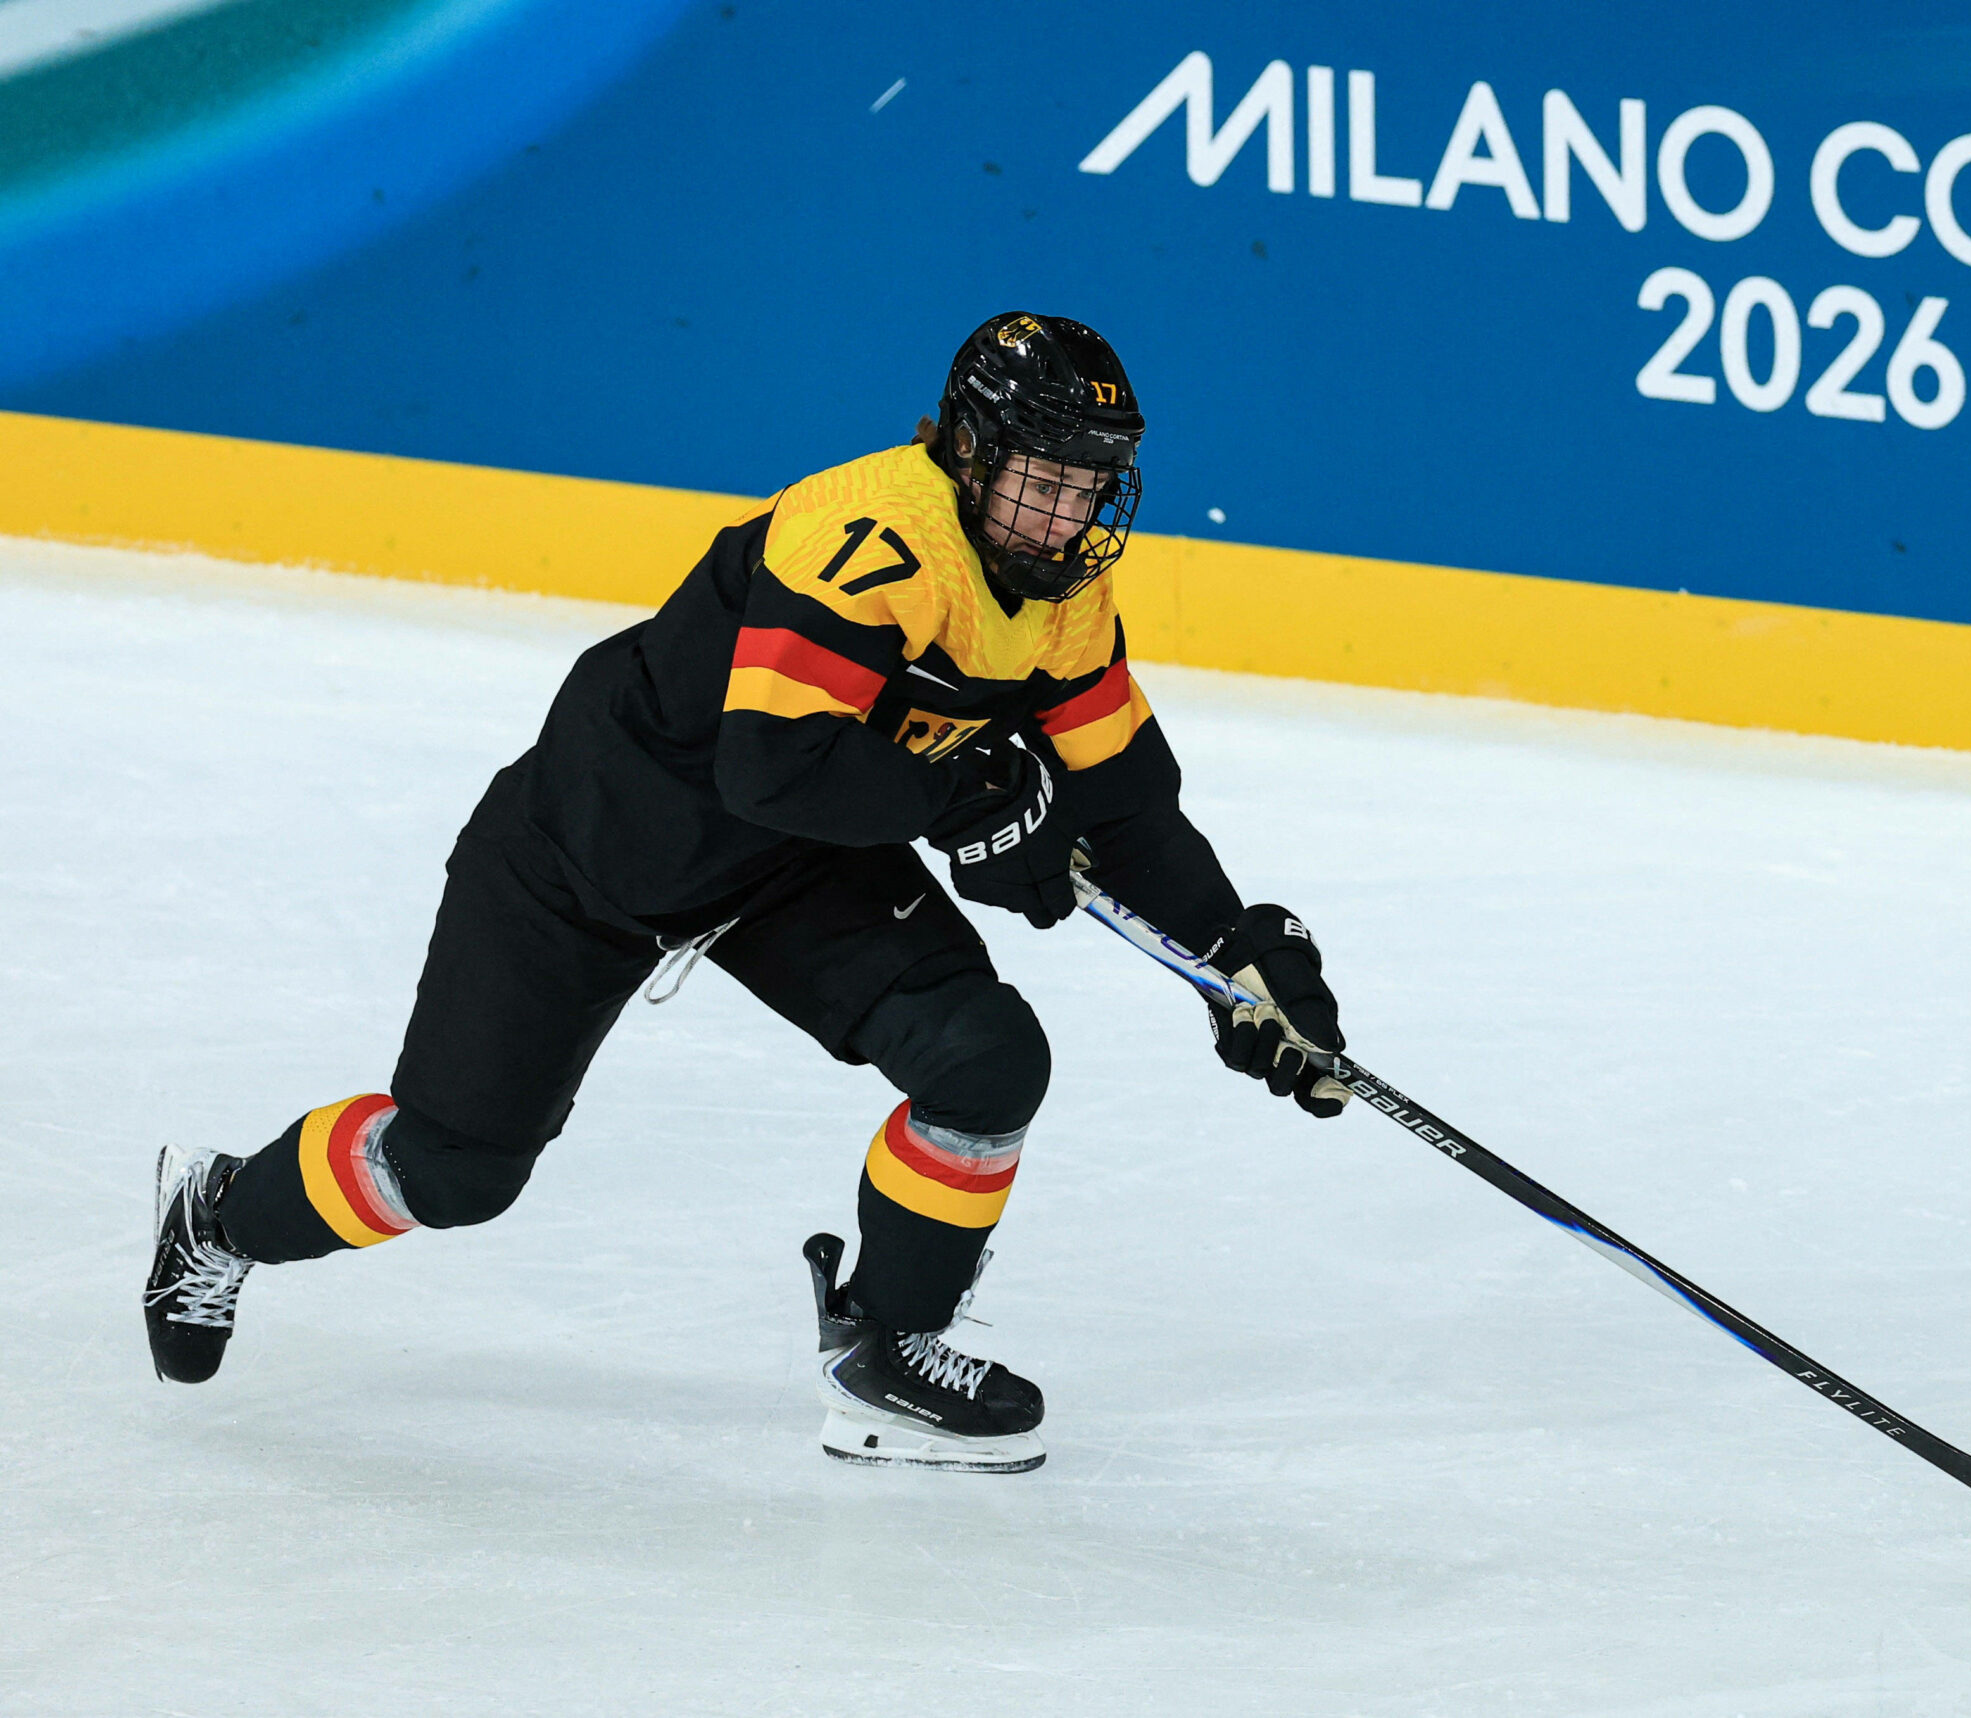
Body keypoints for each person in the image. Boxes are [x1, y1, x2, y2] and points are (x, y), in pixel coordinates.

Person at [143, 312, 1350, 1474]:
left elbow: (1126, 804)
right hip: (590, 849)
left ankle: (886, 1349)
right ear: (974, 450)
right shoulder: (871, 534)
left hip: (787, 864)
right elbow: (771, 763)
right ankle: (220, 1212)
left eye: (1090, 484)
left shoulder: (1063, 596)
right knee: (454, 1171)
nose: (1069, 514)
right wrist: (962, 798)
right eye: (1045, 478)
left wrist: (1237, 956)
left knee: (985, 1059)